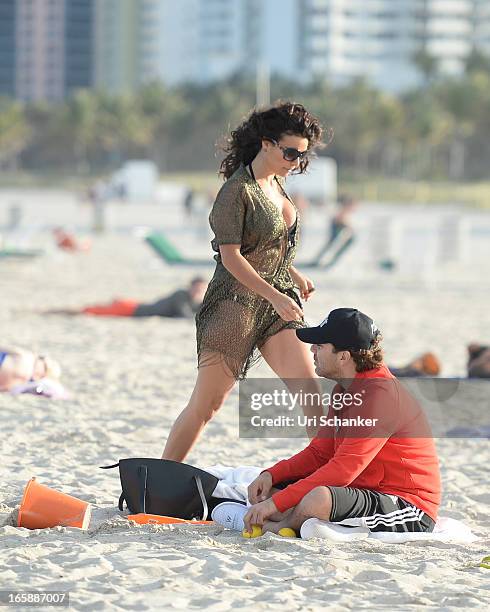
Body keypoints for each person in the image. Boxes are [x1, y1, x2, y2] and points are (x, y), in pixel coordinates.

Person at [162, 102, 328, 461]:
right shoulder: (236, 191)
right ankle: (158, 477)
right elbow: (231, 256)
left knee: (311, 395)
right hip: (232, 310)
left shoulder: (278, 183)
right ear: (266, 143)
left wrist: (292, 272)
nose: (296, 161)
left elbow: (266, 244)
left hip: (275, 304)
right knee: (206, 407)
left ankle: (331, 477)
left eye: (302, 155)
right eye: (290, 152)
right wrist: (274, 294)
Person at [239, 308, 441, 536]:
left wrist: (275, 506)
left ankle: (284, 527)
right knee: (270, 491)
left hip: (410, 506)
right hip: (365, 489)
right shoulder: (343, 389)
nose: (312, 350)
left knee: (317, 498)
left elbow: (343, 470)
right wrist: (272, 474)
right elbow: (320, 453)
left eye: (320, 346)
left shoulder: (380, 396)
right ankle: (292, 521)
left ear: (344, 356)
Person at [43, 277, 207, 319]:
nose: (198, 292)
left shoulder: (192, 300)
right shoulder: (181, 295)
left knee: (89, 311)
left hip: (133, 308)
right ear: (190, 286)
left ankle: (52, 311)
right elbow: (183, 315)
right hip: (131, 310)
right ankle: (51, 312)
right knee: (86, 312)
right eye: (197, 288)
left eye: (201, 289)